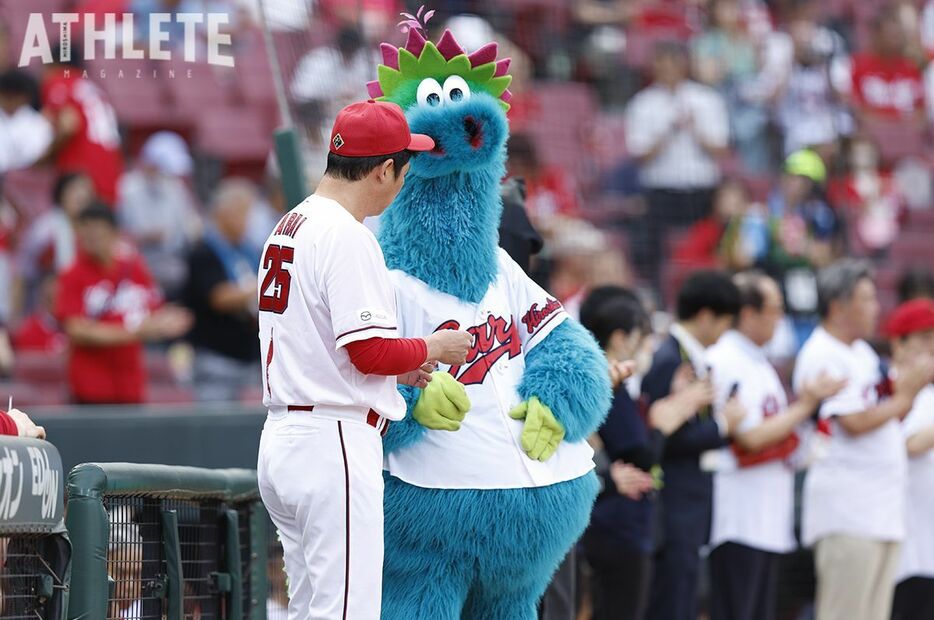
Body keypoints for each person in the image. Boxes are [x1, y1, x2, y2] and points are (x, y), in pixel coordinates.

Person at [255, 100, 472, 620]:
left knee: (308, 608)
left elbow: (328, 344)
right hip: (332, 442)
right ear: (382, 170)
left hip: (286, 440)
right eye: (403, 167)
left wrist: (401, 365)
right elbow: (368, 350)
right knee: (344, 612)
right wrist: (433, 347)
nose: (404, 180)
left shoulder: (290, 223)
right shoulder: (347, 235)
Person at [793, 259, 934, 620]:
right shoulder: (822, 352)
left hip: (880, 509)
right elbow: (854, 422)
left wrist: (906, 393)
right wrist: (905, 396)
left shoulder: (862, 353)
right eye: (867, 299)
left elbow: (888, 417)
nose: (876, 308)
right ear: (838, 306)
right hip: (848, 509)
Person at [706, 271, 845, 620]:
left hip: (767, 514)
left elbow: (776, 431)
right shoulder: (724, 359)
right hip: (738, 517)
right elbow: (749, 436)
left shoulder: (759, 362)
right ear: (748, 313)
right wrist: (806, 404)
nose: (780, 318)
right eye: (775, 308)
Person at [580, 286, 712, 620]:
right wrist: (667, 421)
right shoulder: (608, 388)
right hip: (617, 531)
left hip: (623, 530)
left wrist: (670, 408)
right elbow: (641, 461)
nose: (649, 346)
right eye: (643, 336)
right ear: (621, 338)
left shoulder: (619, 390)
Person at [642, 270, 746, 620]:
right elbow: (660, 437)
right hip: (673, 504)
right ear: (705, 315)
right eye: (725, 322)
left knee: (684, 599)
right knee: (671, 601)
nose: (726, 332)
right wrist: (722, 426)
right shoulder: (670, 358)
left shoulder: (684, 355)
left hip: (688, 505)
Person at [55, 203, 192, 404]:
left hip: (130, 384)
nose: (92, 239)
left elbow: (155, 310)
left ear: (113, 233)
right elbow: (77, 330)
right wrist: (133, 333)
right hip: (90, 387)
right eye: (86, 232)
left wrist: (170, 321)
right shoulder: (72, 274)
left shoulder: (133, 267)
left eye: (98, 232)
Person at [624, 41, 729, 287]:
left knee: (716, 242)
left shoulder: (706, 99)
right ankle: (658, 293)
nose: (668, 69)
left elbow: (721, 149)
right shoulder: (643, 103)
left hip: (702, 191)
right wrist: (668, 131)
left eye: (674, 62)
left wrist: (694, 129)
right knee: (652, 248)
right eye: (662, 63)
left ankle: (714, 288)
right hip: (662, 192)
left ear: (684, 64)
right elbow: (639, 155)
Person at [182, 179, 262, 402]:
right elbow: (219, 297)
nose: (248, 221)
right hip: (216, 357)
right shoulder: (204, 251)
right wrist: (262, 284)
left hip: (250, 356)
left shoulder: (249, 249)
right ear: (225, 213)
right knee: (216, 428)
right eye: (244, 213)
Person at [886, 299, 934, 620]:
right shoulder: (887, 385)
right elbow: (910, 444)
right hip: (903, 542)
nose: (932, 347)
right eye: (924, 337)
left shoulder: (929, 394)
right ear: (898, 343)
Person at [117, 131, 200, 299]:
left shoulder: (176, 188)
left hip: (176, 269)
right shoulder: (126, 188)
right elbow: (117, 236)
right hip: (137, 269)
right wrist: (143, 237)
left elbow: (190, 227)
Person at [40, 46, 123, 204]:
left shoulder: (60, 80)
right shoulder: (93, 88)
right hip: (110, 175)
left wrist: (43, 159)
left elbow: (69, 125)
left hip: (81, 180)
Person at [0, 69, 52, 172]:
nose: (10, 101)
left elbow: (38, 158)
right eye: (6, 95)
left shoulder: (39, 124)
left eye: (15, 96)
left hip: (26, 180)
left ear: (26, 97)